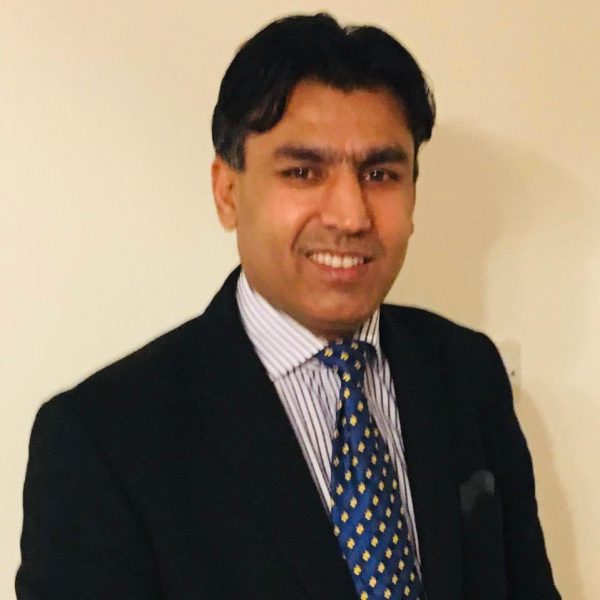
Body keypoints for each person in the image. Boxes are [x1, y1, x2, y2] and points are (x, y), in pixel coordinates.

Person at [16, 13, 560, 600]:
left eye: (380, 173)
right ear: (227, 192)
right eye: (302, 172)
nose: (350, 216)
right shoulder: (101, 440)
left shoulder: (467, 372)